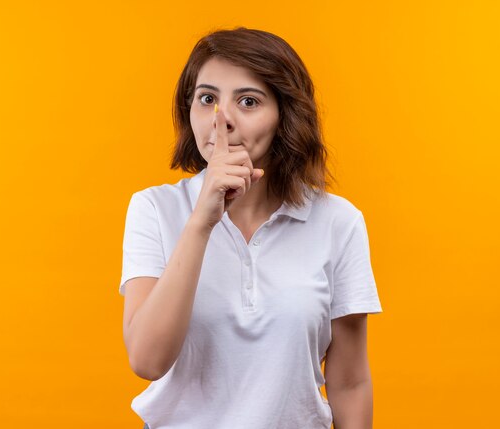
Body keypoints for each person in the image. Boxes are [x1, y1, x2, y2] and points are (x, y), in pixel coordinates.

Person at [119, 27, 383, 429]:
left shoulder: (338, 222)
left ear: (285, 115)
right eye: (207, 99)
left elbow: (349, 382)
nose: (221, 120)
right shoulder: (154, 209)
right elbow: (147, 360)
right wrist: (201, 222)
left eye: (248, 101)